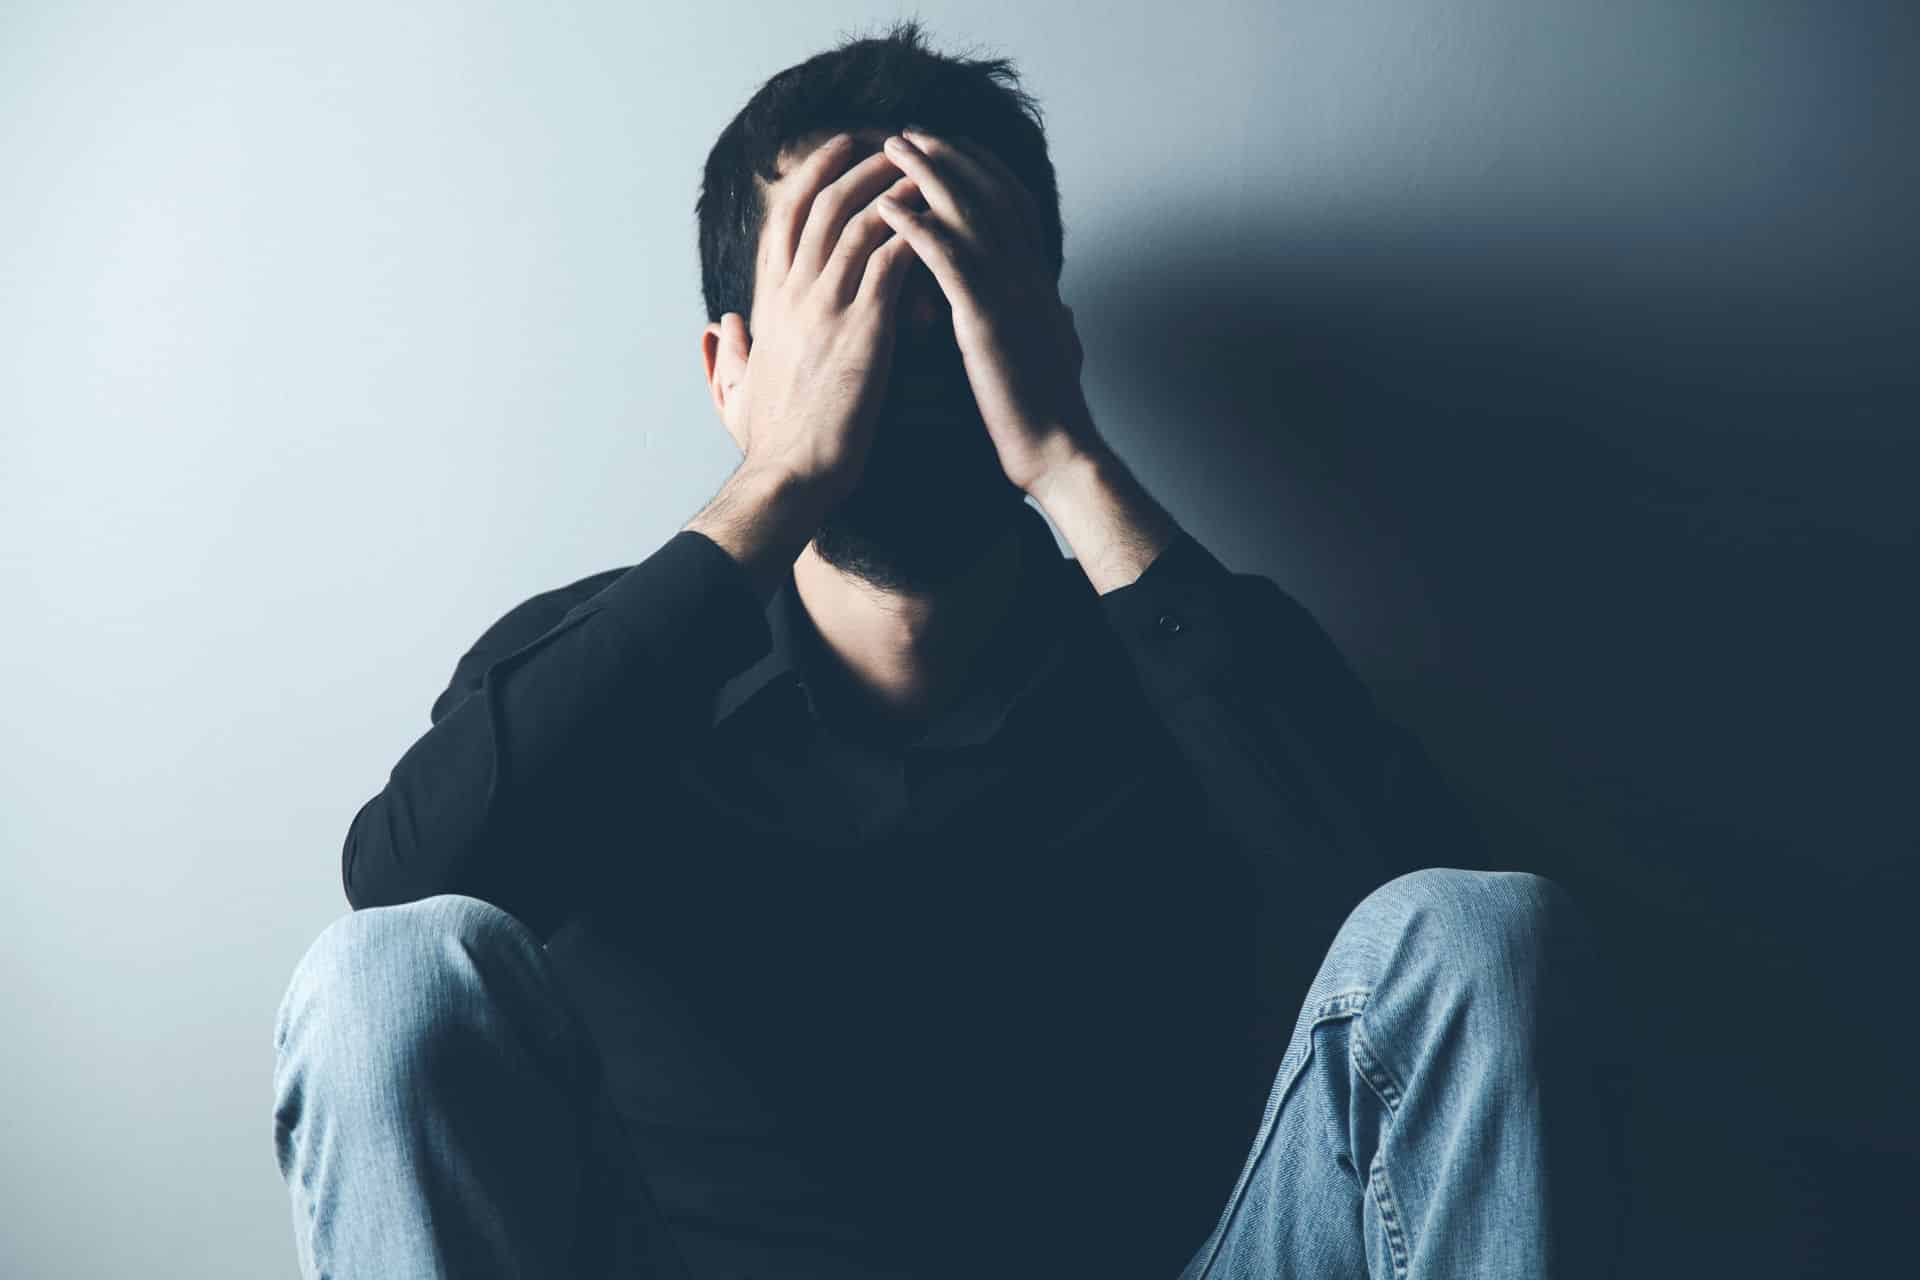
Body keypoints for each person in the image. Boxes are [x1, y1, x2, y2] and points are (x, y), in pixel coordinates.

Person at [272, 19, 1631, 1279]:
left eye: (943, 300)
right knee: (381, 978)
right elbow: (401, 902)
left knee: (1483, 925)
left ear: (1040, 338)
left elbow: (1442, 990)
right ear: (729, 367)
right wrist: (785, 474)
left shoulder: (1191, 651)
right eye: (845, 311)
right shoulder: (600, 667)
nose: (900, 364)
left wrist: (1064, 455)